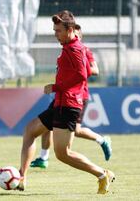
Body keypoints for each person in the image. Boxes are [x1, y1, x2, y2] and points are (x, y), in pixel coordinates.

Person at [17, 10, 115, 194]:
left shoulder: (75, 49)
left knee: (63, 154)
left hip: (68, 104)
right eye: (55, 30)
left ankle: (103, 174)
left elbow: (82, 74)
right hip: (60, 103)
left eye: (58, 31)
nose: (56, 34)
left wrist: (56, 87)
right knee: (30, 130)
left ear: (70, 30)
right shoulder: (69, 47)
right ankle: (21, 178)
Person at [30, 24, 112, 169]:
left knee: (75, 132)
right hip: (63, 95)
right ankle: (44, 157)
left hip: (78, 96)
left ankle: (102, 140)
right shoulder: (66, 49)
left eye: (77, 34)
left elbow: (94, 70)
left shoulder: (83, 50)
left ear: (79, 35)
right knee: (47, 125)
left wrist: (78, 71)